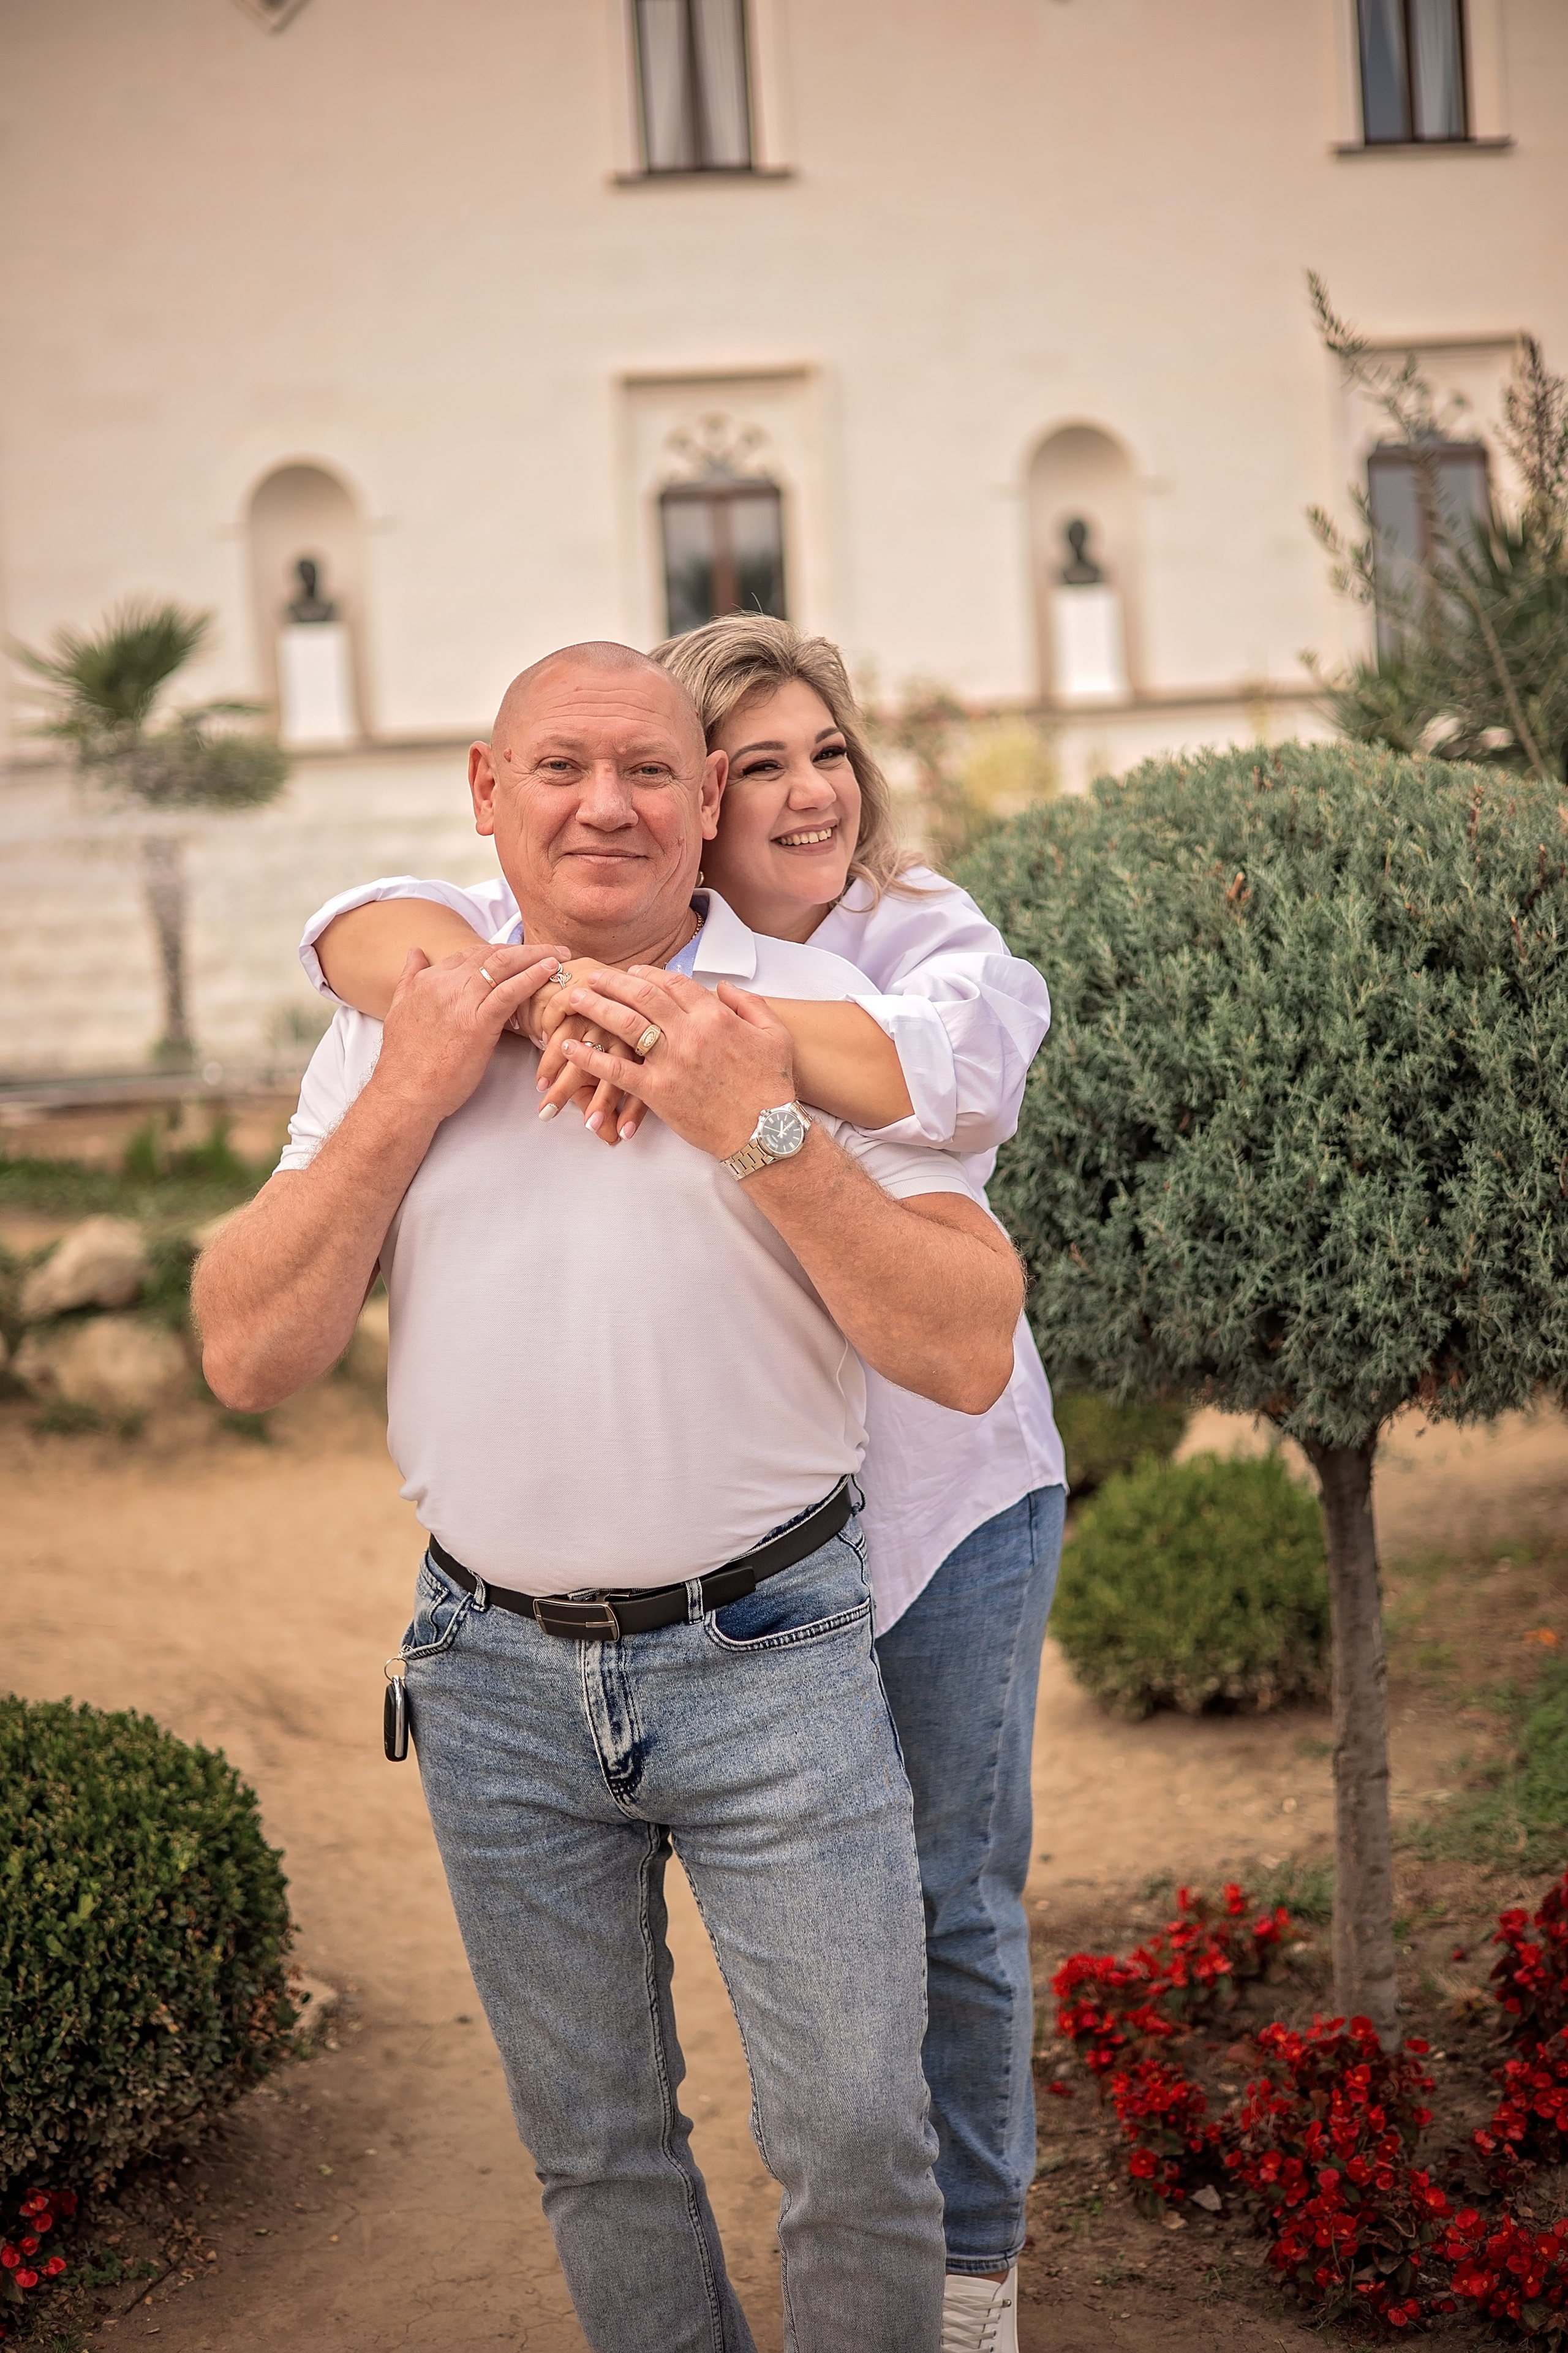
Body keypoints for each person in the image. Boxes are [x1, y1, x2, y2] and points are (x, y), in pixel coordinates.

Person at [194, 641, 1027, 2353]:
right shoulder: (398, 1025)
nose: (608, 804)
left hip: (776, 1658)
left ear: (706, 801)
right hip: (489, 1678)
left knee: (857, 2143)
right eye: (560, 768)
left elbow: (963, 1344)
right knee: (595, 2149)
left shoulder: (815, 1024)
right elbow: (245, 1349)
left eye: (651, 770)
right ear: (485, 802)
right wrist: (416, 1091)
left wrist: (757, 1127)